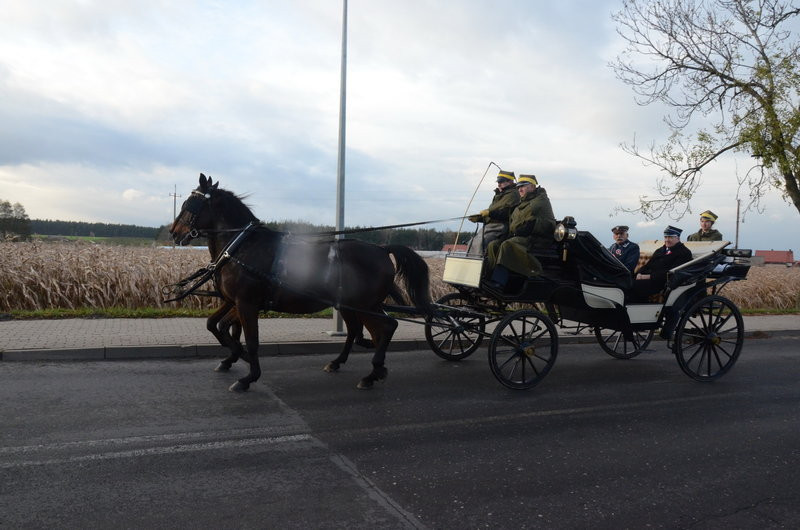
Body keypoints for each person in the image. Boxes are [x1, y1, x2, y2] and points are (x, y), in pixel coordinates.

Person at [484, 174, 557, 290]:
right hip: (521, 237)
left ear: (532, 186)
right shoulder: (522, 203)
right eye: (518, 187)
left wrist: (527, 227)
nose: (520, 189)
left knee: (507, 245)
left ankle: (499, 282)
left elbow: (543, 224)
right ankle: (488, 277)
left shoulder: (540, 201)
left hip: (536, 240)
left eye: (523, 186)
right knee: (494, 245)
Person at [633, 225, 693, 300]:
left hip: (662, 282)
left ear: (678, 238)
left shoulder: (684, 252)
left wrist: (649, 276)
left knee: (634, 286)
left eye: (671, 237)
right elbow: (648, 265)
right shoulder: (660, 250)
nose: (667, 240)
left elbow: (672, 272)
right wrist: (639, 273)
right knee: (625, 283)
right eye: (666, 237)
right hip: (648, 278)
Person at [466, 170, 520, 254]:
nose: (498, 184)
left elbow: (506, 213)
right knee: (471, 242)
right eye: (498, 182)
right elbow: (493, 213)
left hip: (501, 228)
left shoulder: (513, 194)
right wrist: (479, 218)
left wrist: (489, 213)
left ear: (510, 181)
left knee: (481, 243)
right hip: (490, 227)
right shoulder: (499, 194)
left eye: (501, 182)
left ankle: (481, 265)